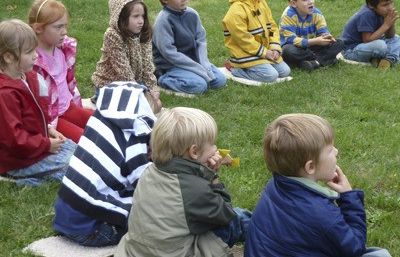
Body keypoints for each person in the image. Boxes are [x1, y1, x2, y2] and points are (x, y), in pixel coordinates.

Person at [244, 113, 391, 257]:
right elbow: (355, 248)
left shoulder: (275, 186)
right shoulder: (322, 214)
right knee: (379, 254)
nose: (337, 151)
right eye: (330, 150)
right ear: (311, 167)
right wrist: (348, 197)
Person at [115, 107, 252, 257]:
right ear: (194, 152)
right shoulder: (194, 191)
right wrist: (212, 176)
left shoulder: (150, 172)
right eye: (212, 144)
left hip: (139, 251)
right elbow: (225, 212)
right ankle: (270, 234)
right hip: (176, 253)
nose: (215, 149)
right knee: (236, 220)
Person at [53, 82, 161, 247]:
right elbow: (145, 183)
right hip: (91, 229)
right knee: (152, 224)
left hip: (66, 215)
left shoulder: (101, 120)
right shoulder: (135, 132)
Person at [0, 19, 76, 186]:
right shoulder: (5, 94)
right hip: (17, 159)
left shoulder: (30, 76)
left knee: (76, 149)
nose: (36, 55)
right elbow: (14, 140)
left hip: (36, 144)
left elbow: (36, 113)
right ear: (8, 57)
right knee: (70, 170)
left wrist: (48, 130)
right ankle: (13, 177)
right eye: (28, 52)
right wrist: (46, 145)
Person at [28, 0, 94, 143]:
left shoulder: (62, 49)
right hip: (54, 120)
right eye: (58, 27)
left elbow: (68, 82)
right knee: (87, 142)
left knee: (102, 124)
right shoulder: (32, 62)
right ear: (38, 28)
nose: (64, 32)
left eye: (65, 26)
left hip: (69, 107)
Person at [152, 0, 226, 95]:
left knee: (219, 81)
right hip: (172, 66)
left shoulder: (192, 14)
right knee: (200, 85)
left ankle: (196, 73)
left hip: (194, 61)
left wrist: (203, 64)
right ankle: (161, 79)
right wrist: (197, 69)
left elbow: (201, 39)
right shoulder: (163, 21)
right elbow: (169, 53)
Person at [222, 0, 291, 83]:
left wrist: (274, 47)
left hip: (262, 52)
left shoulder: (261, 2)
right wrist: (265, 53)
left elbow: (272, 27)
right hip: (245, 55)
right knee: (271, 76)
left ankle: (262, 64)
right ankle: (235, 68)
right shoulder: (236, 11)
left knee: (285, 71)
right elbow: (244, 40)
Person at [91, 0, 160, 106]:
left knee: (156, 105)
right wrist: (141, 93)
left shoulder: (143, 33)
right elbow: (124, 72)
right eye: (135, 16)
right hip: (111, 85)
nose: (141, 21)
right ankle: (102, 100)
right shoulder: (112, 35)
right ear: (121, 17)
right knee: (144, 107)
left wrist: (152, 88)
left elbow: (148, 64)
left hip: (135, 83)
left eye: (142, 16)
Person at [279, 0, 344, 71]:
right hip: (294, 46)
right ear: (293, 3)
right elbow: (291, 40)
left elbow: (322, 31)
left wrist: (326, 37)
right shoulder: (288, 16)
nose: (311, 2)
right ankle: (326, 59)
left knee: (339, 43)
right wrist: (315, 41)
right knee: (288, 51)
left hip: (309, 46)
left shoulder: (316, 13)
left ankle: (314, 62)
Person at [341, 0, 399, 68]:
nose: (390, 7)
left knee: (396, 38)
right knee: (380, 46)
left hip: (368, 46)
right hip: (352, 50)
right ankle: (379, 58)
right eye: (385, 5)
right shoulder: (366, 14)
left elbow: (390, 36)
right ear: (371, 5)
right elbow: (367, 40)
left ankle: (389, 60)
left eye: (391, 2)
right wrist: (386, 24)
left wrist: (391, 23)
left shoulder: (382, 12)